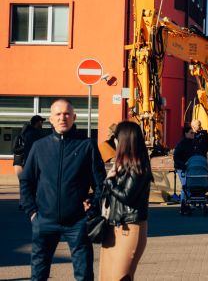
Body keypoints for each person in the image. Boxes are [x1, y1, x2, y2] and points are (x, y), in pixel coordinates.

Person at [20, 99, 106, 281]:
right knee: (38, 274)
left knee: (83, 275)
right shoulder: (39, 147)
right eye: (58, 114)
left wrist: (93, 207)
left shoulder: (86, 146)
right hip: (44, 220)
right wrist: (32, 213)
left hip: (77, 222)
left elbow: (101, 184)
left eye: (67, 114)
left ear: (74, 117)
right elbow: (26, 181)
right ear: (50, 119)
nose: (62, 118)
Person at [99, 121, 152, 281]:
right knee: (107, 277)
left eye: (116, 138)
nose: (114, 141)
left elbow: (127, 196)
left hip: (128, 228)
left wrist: (109, 181)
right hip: (113, 227)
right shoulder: (122, 166)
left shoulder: (138, 167)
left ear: (124, 140)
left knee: (120, 277)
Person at [13, 114, 44, 209]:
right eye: (41, 122)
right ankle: (27, 203)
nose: (42, 124)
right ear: (37, 122)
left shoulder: (24, 135)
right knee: (30, 183)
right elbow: (32, 150)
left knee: (24, 183)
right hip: (25, 162)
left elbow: (15, 150)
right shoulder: (34, 134)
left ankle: (23, 203)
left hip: (18, 162)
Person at [173, 126, 195, 204]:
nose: (193, 134)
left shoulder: (193, 143)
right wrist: (183, 165)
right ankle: (183, 202)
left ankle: (188, 201)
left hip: (190, 167)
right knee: (185, 185)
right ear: (186, 133)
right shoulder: (181, 144)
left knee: (190, 185)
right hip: (182, 168)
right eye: (191, 133)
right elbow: (176, 157)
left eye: (194, 133)